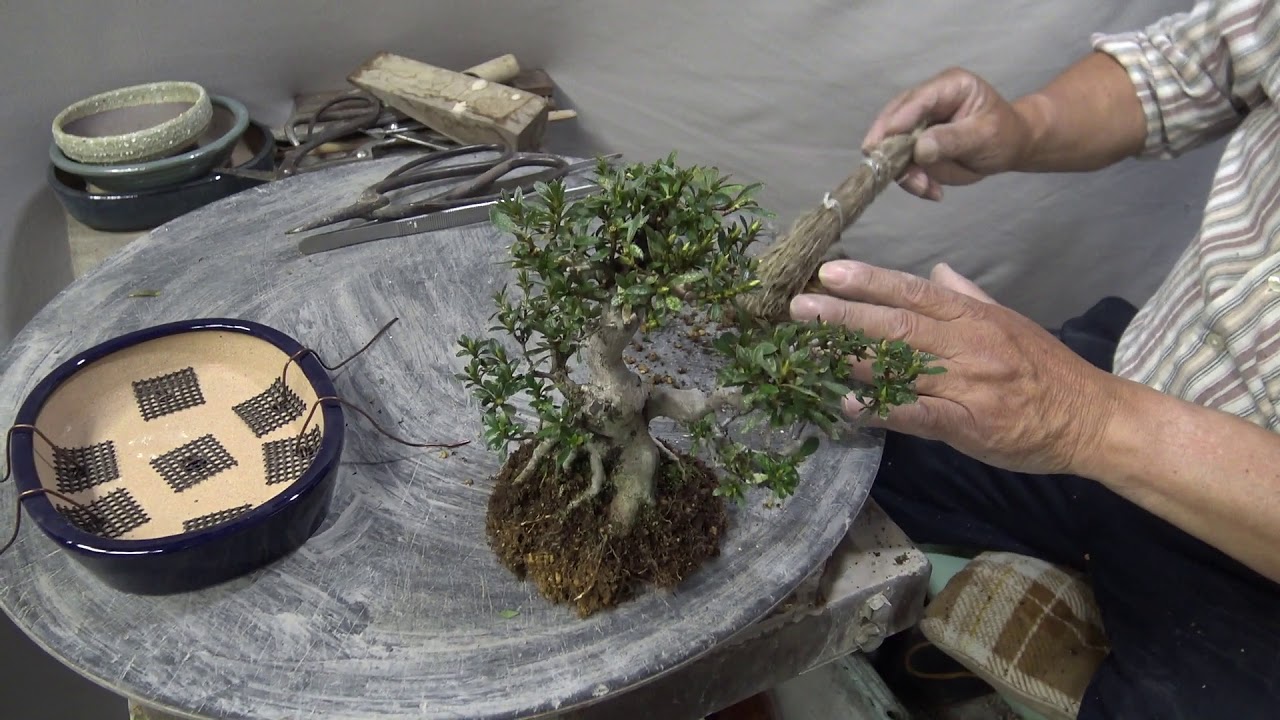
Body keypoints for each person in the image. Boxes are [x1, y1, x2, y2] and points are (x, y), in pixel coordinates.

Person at [789, 1, 1280, 718]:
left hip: (1251, 557)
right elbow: (1201, 63)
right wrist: (1027, 125)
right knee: (824, 451)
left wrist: (1081, 419)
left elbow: (1087, 419)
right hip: (1144, 370)